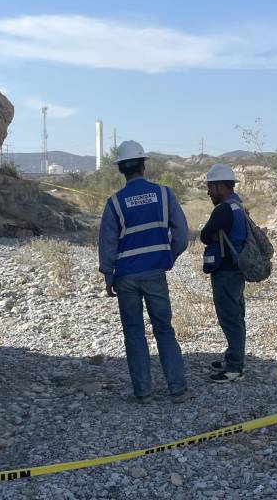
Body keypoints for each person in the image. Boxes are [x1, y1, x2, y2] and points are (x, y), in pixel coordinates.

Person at [98, 140, 191, 403]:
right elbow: (182, 236)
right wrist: (167, 256)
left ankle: (143, 392)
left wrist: (108, 275)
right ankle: (178, 389)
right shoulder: (164, 194)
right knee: (163, 329)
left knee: (134, 332)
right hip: (154, 273)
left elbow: (107, 243)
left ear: (120, 170)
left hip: (125, 277)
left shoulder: (114, 202)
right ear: (143, 165)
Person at [200, 163, 248, 383]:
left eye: (210, 187)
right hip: (236, 270)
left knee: (230, 319)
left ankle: (234, 369)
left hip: (226, 272)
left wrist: (212, 236)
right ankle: (233, 359)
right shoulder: (238, 205)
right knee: (236, 317)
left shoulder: (224, 209)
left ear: (220, 186)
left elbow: (204, 234)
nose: (209, 192)